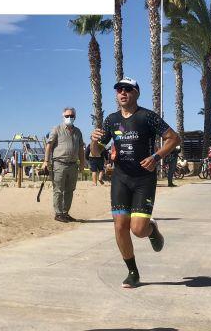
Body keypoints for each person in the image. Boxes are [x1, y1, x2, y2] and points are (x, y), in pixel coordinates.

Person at [90, 77, 181, 289]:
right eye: (119, 89)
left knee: (138, 230)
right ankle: (132, 272)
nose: (123, 93)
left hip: (143, 180)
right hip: (121, 178)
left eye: (128, 89)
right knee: (120, 226)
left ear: (136, 93)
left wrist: (156, 157)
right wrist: (94, 140)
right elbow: (96, 153)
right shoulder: (111, 120)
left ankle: (152, 229)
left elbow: (174, 138)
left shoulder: (147, 117)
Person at [43, 107, 85, 223]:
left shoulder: (78, 132)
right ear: (63, 117)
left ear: (75, 117)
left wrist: (82, 163)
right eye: (67, 116)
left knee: (70, 190)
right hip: (59, 164)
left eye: (71, 116)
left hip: (73, 165)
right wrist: (46, 161)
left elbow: (81, 148)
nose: (69, 118)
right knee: (58, 190)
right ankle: (58, 213)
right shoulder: (57, 129)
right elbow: (49, 146)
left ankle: (65, 213)